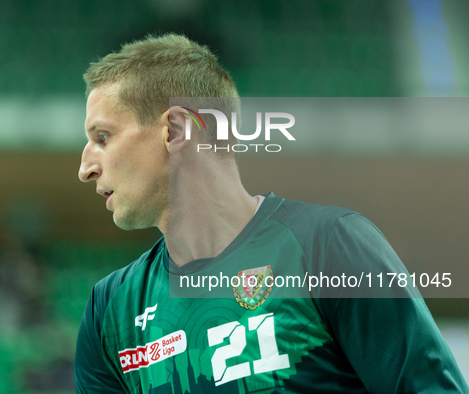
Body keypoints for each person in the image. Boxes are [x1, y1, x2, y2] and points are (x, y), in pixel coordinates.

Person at [75, 33, 468, 393]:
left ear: (176, 130)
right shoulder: (109, 310)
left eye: (103, 137)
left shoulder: (329, 246)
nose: (86, 167)